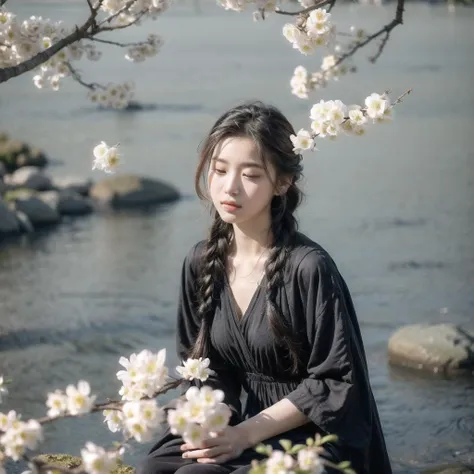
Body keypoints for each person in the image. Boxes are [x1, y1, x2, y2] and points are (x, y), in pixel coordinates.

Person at [136, 101, 393, 474]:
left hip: (313, 438)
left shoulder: (308, 268)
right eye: (220, 170)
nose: (230, 187)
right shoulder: (200, 262)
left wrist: (244, 435)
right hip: (244, 426)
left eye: (251, 175)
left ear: (283, 183)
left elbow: (335, 384)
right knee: (153, 467)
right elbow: (206, 368)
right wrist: (214, 414)